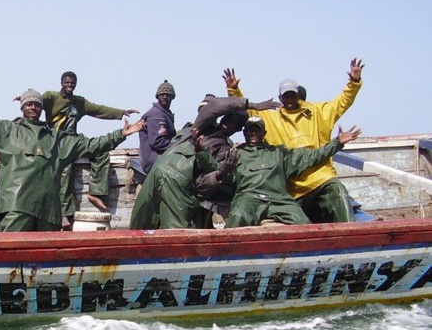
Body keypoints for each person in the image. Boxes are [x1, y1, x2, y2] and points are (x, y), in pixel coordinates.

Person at [0, 70, 145, 231]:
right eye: (28, 103)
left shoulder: (56, 138)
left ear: (42, 108)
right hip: (16, 207)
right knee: (13, 259)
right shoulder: (5, 130)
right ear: (22, 107)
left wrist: (120, 134)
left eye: (37, 104)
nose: (33, 107)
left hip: (48, 212)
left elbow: (90, 145)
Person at [222, 59, 364, 223]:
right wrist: (234, 90)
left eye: (292, 94)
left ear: (298, 95)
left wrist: (354, 82)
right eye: (285, 95)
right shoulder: (271, 118)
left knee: (338, 192)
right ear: (280, 97)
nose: (289, 98)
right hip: (292, 189)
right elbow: (248, 112)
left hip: (320, 179)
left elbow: (342, 102)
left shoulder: (318, 112)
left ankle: (349, 238)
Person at [128, 94, 273, 230]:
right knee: (140, 225)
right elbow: (215, 105)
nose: (229, 123)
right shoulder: (202, 125)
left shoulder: (225, 149)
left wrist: (217, 166)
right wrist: (251, 105)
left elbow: (212, 174)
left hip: (176, 177)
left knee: (167, 229)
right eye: (228, 117)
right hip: (162, 170)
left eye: (234, 122)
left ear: (238, 129)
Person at [223, 116, 361, 227]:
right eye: (250, 130)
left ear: (264, 133)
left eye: (257, 130)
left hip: (278, 199)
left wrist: (337, 142)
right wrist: (204, 155)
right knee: (237, 216)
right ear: (244, 133)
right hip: (249, 198)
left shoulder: (279, 152)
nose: (253, 133)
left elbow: (313, 156)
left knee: (303, 222)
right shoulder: (235, 154)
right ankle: (224, 255)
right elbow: (216, 171)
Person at [39, 71, 139, 219]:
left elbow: (99, 110)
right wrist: (25, 98)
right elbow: (36, 101)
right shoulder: (51, 97)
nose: (70, 85)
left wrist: (121, 112)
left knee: (101, 151)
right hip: (56, 141)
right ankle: (66, 215)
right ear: (61, 83)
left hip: (74, 140)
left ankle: (95, 192)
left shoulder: (79, 102)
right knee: (65, 171)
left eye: (72, 83)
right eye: (67, 82)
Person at [138, 80, 177, 174]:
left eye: (168, 95)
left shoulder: (165, 113)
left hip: (159, 158)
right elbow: (158, 142)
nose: (164, 97)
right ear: (157, 96)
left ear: (172, 97)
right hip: (154, 161)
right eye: (162, 94)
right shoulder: (156, 114)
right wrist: (178, 147)